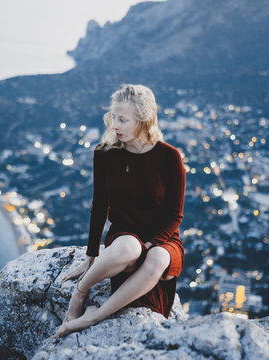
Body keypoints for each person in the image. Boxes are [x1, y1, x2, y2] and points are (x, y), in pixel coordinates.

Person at [54, 84, 186, 338]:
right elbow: (100, 204)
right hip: (124, 233)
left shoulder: (169, 157)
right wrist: (92, 254)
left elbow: (175, 215)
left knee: (157, 258)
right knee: (129, 249)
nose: (114, 125)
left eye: (123, 119)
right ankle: (79, 293)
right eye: (113, 117)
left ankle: (96, 316)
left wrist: (150, 245)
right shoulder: (105, 153)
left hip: (164, 238)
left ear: (143, 120)